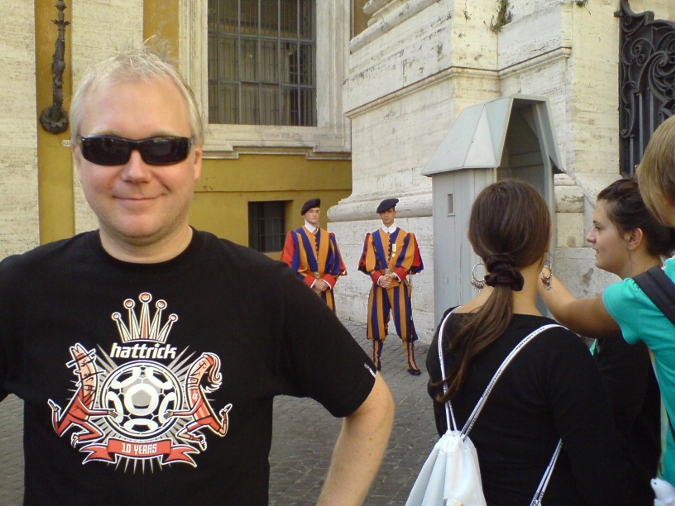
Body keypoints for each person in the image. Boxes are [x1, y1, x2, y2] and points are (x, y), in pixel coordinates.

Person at [0, 45, 395, 506]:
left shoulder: (263, 290)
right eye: (107, 147)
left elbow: (372, 405)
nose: (136, 171)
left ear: (195, 159)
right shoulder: (22, 287)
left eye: (162, 148)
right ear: (77, 158)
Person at [426, 180, 634, 505]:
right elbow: (603, 480)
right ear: (548, 236)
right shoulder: (560, 351)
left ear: (471, 238)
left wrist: (539, 268)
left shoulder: (447, 331)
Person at [537, 115, 675, 488]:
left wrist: (536, 264)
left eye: (599, 228)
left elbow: (604, 427)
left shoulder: (632, 312)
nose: (588, 237)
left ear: (633, 238)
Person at [358, 198, 424, 374]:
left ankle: (410, 361)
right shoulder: (372, 237)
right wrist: (379, 278)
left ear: (395, 213)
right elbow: (368, 263)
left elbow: (410, 261)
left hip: (399, 285)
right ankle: (376, 359)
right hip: (379, 286)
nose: (387, 215)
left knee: (405, 321)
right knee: (376, 321)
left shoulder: (406, 237)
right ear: (380, 215)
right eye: (383, 212)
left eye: (390, 211)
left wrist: (394, 275)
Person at [281, 198, 347, 313]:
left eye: (317, 211)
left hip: (325, 288)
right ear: (304, 214)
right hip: (304, 288)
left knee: (327, 322)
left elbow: (337, 265)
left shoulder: (329, 237)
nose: (314, 214)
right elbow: (287, 265)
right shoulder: (295, 236)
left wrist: (325, 282)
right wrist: (313, 282)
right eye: (311, 211)